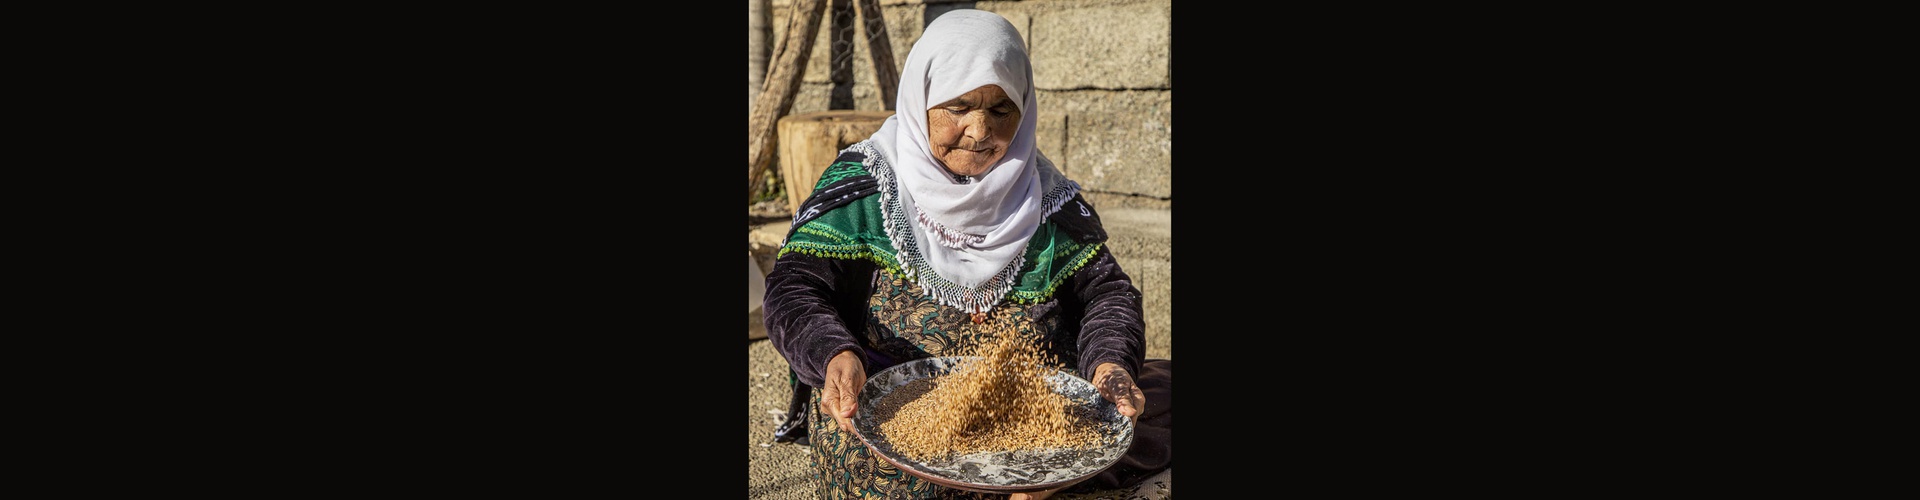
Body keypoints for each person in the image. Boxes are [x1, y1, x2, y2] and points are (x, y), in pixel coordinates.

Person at [762, 9, 1171, 500]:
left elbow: (1108, 294)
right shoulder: (866, 189)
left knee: (1123, 421)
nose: (980, 131)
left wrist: (1109, 365)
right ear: (922, 98)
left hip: (1028, 409)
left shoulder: (1045, 196)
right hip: (893, 414)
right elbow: (794, 287)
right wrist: (834, 353)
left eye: (1001, 110)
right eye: (958, 107)